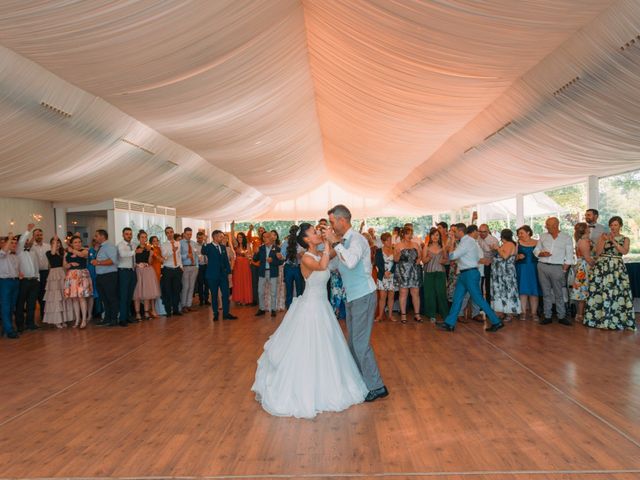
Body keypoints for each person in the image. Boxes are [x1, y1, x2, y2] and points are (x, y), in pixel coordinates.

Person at [252, 223, 368, 418]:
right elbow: (322, 265)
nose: (318, 234)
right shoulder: (305, 257)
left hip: (323, 307)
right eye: (314, 232)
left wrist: (333, 240)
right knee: (309, 347)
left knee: (327, 347)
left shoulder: (320, 252)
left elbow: (337, 255)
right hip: (311, 308)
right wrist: (328, 244)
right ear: (306, 240)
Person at [325, 204, 388, 403]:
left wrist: (335, 243)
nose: (331, 226)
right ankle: (363, 381)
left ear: (343, 220)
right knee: (353, 342)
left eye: (333, 222)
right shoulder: (344, 242)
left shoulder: (357, 240)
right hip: (352, 296)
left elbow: (351, 262)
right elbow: (335, 265)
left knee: (360, 344)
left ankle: (377, 386)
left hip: (363, 295)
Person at [438, 225, 504, 332]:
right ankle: (449, 323)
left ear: (460, 231)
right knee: (457, 298)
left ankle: (496, 321)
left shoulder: (467, 242)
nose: (453, 234)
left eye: (454, 232)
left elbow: (452, 256)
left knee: (478, 299)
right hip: (464, 273)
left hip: (470, 273)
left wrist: (452, 241)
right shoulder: (465, 241)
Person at [583, 216, 635, 330]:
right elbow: (598, 253)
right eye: (611, 225)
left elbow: (624, 251)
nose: (613, 227)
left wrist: (613, 241)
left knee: (617, 292)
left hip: (617, 267)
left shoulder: (625, 238)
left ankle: (616, 319)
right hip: (602, 267)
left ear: (620, 226)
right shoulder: (603, 236)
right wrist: (604, 240)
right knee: (600, 291)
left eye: (615, 225)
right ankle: (598, 319)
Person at [534, 217, 573, 326]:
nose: (546, 227)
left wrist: (564, 269)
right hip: (542, 266)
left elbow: (569, 255)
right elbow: (536, 250)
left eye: (548, 225)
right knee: (546, 292)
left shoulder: (566, 237)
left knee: (559, 293)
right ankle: (547, 316)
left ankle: (561, 316)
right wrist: (541, 254)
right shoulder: (543, 236)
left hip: (557, 267)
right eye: (546, 225)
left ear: (556, 225)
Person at [202, 230, 237, 321]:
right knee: (214, 295)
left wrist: (229, 273)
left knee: (226, 294)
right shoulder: (209, 247)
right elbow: (203, 251)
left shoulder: (223, 247)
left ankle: (226, 314)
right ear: (215, 237)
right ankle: (215, 314)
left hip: (223, 275)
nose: (222, 238)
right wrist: (204, 242)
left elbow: (226, 261)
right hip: (212, 275)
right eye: (221, 236)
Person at [91, 230, 122, 327]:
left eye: (96, 236)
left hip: (109, 276)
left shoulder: (110, 246)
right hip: (101, 276)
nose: (95, 238)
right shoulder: (101, 247)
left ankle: (114, 319)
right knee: (104, 299)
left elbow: (113, 260)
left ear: (102, 236)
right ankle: (107, 318)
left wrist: (98, 263)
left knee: (111, 298)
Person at [490, 229, 521, 321]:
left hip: (505, 273)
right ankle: (502, 311)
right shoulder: (506, 244)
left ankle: (509, 313)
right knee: (501, 292)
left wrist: (497, 248)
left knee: (507, 291)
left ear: (502, 236)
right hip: (500, 273)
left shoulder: (510, 244)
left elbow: (505, 256)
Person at [393, 226, 422, 324]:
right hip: (403, 271)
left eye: (411, 233)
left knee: (415, 293)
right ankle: (403, 315)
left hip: (414, 271)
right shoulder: (398, 245)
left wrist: (418, 260)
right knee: (403, 294)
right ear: (403, 235)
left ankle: (417, 315)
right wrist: (398, 253)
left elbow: (420, 256)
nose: (410, 236)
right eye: (408, 233)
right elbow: (395, 260)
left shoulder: (415, 244)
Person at [63, 235, 92, 328]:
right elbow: (64, 265)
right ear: (71, 243)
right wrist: (70, 264)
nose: (78, 244)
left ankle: (84, 319)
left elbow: (83, 255)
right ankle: (77, 320)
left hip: (82, 275)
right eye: (75, 242)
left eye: (79, 242)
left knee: (82, 298)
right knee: (74, 298)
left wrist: (72, 250)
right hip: (71, 276)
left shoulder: (85, 250)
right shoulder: (67, 253)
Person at [42, 235, 72, 328]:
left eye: (58, 242)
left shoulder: (63, 253)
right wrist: (54, 239)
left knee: (63, 296)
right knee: (55, 297)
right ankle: (56, 320)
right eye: (55, 243)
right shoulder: (49, 252)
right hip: (54, 275)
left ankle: (63, 319)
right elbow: (53, 252)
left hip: (62, 273)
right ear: (51, 244)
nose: (57, 244)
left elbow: (64, 265)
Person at [16, 224, 41, 332]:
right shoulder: (19, 251)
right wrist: (28, 231)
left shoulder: (33, 252)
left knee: (32, 304)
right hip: (23, 281)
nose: (26, 242)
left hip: (34, 281)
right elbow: (21, 242)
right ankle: (20, 325)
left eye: (27, 241)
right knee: (20, 304)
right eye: (25, 241)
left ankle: (30, 323)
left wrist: (37, 278)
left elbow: (36, 267)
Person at [253, 231, 284, 318]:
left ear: (271, 238)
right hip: (262, 272)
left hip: (272, 272)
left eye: (266, 237)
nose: (264, 239)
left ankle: (273, 309)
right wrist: (255, 253)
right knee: (260, 291)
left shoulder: (277, 249)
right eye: (263, 237)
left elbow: (281, 262)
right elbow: (255, 260)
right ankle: (261, 309)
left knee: (273, 292)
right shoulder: (261, 248)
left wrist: (273, 260)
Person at [422, 228, 449, 323]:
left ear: (439, 237)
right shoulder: (426, 246)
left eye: (437, 235)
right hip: (429, 272)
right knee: (430, 294)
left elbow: (446, 259)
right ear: (430, 236)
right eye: (433, 235)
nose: (435, 237)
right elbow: (423, 260)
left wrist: (444, 261)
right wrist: (427, 258)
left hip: (440, 272)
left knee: (441, 293)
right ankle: (431, 314)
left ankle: (445, 314)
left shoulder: (443, 246)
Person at [133, 230, 160, 320]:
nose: (144, 239)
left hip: (148, 271)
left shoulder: (149, 248)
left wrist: (150, 255)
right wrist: (137, 264)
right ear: (138, 238)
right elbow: (132, 261)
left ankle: (146, 312)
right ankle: (137, 313)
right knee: (137, 293)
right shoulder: (135, 248)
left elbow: (150, 262)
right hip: (138, 271)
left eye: (145, 237)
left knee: (147, 293)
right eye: (142, 237)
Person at [571, 222, 595, 323]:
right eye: (587, 227)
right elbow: (587, 258)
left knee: (584, 291)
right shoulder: (584, 241)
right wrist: (596, 264)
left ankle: (582, 314)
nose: (589, 228)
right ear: (584, 230)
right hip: (585, 267)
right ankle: (580, 315)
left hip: (583, 266)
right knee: (583, 291)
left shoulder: (583, 240)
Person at [515, 225, 540, 321]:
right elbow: (512, 257)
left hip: (534, 268)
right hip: (521, 268)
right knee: (523, 290)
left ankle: (534, 313)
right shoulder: (518, 243)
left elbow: (541, 254)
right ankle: (523, 312)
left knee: (534, 291)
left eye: (521, 233)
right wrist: (517, 257)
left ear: (528, 232)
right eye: (518, 234)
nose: (519, 235)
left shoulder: (537, 242)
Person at [0, 232, 20, 338]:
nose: (14, 245)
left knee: (12, 307)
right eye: (11, 242)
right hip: (4, 282)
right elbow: (3, 251)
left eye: (15, 243)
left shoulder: (15, 256)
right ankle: (9, 330)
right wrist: (10, 238)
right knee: (6, 307)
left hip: (15, 282)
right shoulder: (2, 254)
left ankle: (6, 328)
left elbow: (15, 269)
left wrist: (19, 274)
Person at [160, 226, 182, 317]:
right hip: (167, 270)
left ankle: (176, 309)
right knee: (167, 291)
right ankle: (168, 311)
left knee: (177, 290)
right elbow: (164, 256)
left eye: (171, 232)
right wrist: (172, 251)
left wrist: (181, 266)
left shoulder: (178, 243)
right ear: (166, 234)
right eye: (168, 232)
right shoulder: (164, 244)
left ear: (173, 233)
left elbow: (179, 256)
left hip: (177, 269)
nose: (170, 234)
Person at [281, 225, 305, 309]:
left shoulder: (301, 242)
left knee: (299, 288)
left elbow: (306, 253)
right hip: (288, 267)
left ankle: (299, 307)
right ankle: (289, 307)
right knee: (289, 288)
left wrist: (301, 255)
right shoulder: (286, 242)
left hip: (298, 267)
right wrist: (293, 255)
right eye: (293, 231)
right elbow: (283, 254)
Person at [117, 227, 137, 324]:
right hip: (123, 272)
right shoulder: (120, 245)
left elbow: (135, 257)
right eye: (127, 234)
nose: (129, 236)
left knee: (130, 295)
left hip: (132, 271)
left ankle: (128, 316)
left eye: (130, 234)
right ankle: (122, 319)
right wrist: (134, 252)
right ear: (123, 235)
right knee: (124, 295)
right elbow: (123, 254)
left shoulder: (133, 244)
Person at [374, 232, 395, 322]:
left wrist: (390, 271)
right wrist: (384, 272)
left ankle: (390, 315)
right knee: (382, 297)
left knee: (391, 296)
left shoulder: (394, 250)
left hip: (392, 276)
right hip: (382, 276)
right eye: (388, 240)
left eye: (390, 240)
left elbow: (396, 262)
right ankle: (380, 316)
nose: (390, 242)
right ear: (383, 241)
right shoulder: (379, 251)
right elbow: (377, 263)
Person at [230, 224, 253, 306]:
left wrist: (247, 255)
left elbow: (250, 255)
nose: (239, 238)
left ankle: (245, 299)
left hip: (245, 264)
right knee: (238, 281)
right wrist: (232, 227)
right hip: (238, 265)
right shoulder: (236, 245)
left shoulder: (247, 245)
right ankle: (238, 299)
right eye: (238, 237)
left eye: (241, 237)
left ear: (243, 238)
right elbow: (232, 237)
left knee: (245, 280)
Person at [31, 227, 50, 320]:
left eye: (40, 235)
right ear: (33, 236)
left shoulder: (48, 246)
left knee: (45, 293)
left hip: (46, 272)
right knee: (36, 294)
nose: (39, 236)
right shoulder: (31, 247)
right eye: (37, 235)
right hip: (36, 273)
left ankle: (44, 314)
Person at [180, 227, 199, 313]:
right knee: (186, 286)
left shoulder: (194, 243)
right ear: (184, 234)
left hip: (194, 267)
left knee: (192, 287)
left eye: (190, 234)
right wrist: (186, 256)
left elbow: (196, 255)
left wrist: (197, 266)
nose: (189, 236)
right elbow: (178, 256)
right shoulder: (180, 243)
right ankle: (183, 305)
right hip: (185, 266)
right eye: (187, 234)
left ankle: (189, 305)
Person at [477, 224, 498, 301]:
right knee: (479, 284)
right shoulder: (477, 238)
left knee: (488, 285)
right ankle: (480, 304)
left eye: (484, 232)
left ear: (488, 231)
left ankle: (488, 304)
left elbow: (496, 254)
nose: (482, 233)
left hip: (490, 264)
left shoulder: (493, 240)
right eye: (480, 231)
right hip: (479, 264)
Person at [195, 231, 210, 306]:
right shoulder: (194, 246)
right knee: (200, 283)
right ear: (196, 238)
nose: (200, 239)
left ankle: (206, 299)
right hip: (199, 266)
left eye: (202, 238)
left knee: (207, 283)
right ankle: (201, 300)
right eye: (199, 238)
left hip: (207, 266)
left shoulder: (206, 245)